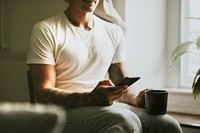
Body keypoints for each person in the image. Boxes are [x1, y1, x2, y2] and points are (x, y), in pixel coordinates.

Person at [27, 0, 183, 133]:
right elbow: (42, 94)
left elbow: (121, 84)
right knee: (125, 121)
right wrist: (90, 98)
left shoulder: (113, 31)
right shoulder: (46, 29)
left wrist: (135, 99)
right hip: (62, 112)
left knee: (166, 124)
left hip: (104, 107)